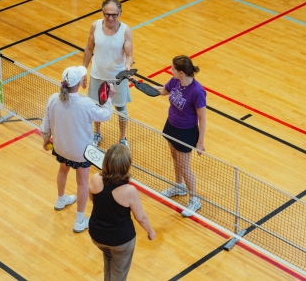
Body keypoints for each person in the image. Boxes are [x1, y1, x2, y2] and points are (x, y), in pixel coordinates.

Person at [40, 66, 115, 232]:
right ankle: (80, 220)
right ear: (81, 83)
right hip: (80, 153)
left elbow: (45, 124)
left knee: (63, 170)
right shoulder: (85, 104)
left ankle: (60, 199)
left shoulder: (53, 99)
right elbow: (105, 115)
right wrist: (109, 99)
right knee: (82, 183)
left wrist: (46, 139)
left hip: (61, 148)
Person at [88, 143, 155, 281]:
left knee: (109, 260)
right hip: (120, 241)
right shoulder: (129, 191)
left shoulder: (95, 178)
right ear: (126, 166)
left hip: (98, 235)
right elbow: (140, 217)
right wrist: (150, 231)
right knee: (119, 273)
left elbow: (91, 198)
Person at [156, 55, 207, 217]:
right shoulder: (175, 82)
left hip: (186, 132)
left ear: (181, 73)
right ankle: (179, 186)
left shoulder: (197, 91)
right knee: (175, 157)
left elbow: (202, 118)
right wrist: (141, 86)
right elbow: (163, 91)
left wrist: (200, 142)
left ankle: (194, 199)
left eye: (172, 69)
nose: (170, 70)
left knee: (185, 166)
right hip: (171, 125)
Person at [83, 0, 134, 148]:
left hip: (118, 78)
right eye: (107, 14)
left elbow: (130, 55)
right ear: (102, 12)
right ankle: (97, 133)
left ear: (120, 13)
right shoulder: (95, 26)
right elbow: (89, 49)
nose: (111, 18)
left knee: (120, 108)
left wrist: (127, 66)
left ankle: (123, 138)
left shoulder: (125, 31)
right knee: (96, 106)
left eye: (114, 15)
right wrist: (83, 70)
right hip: (97, 74)